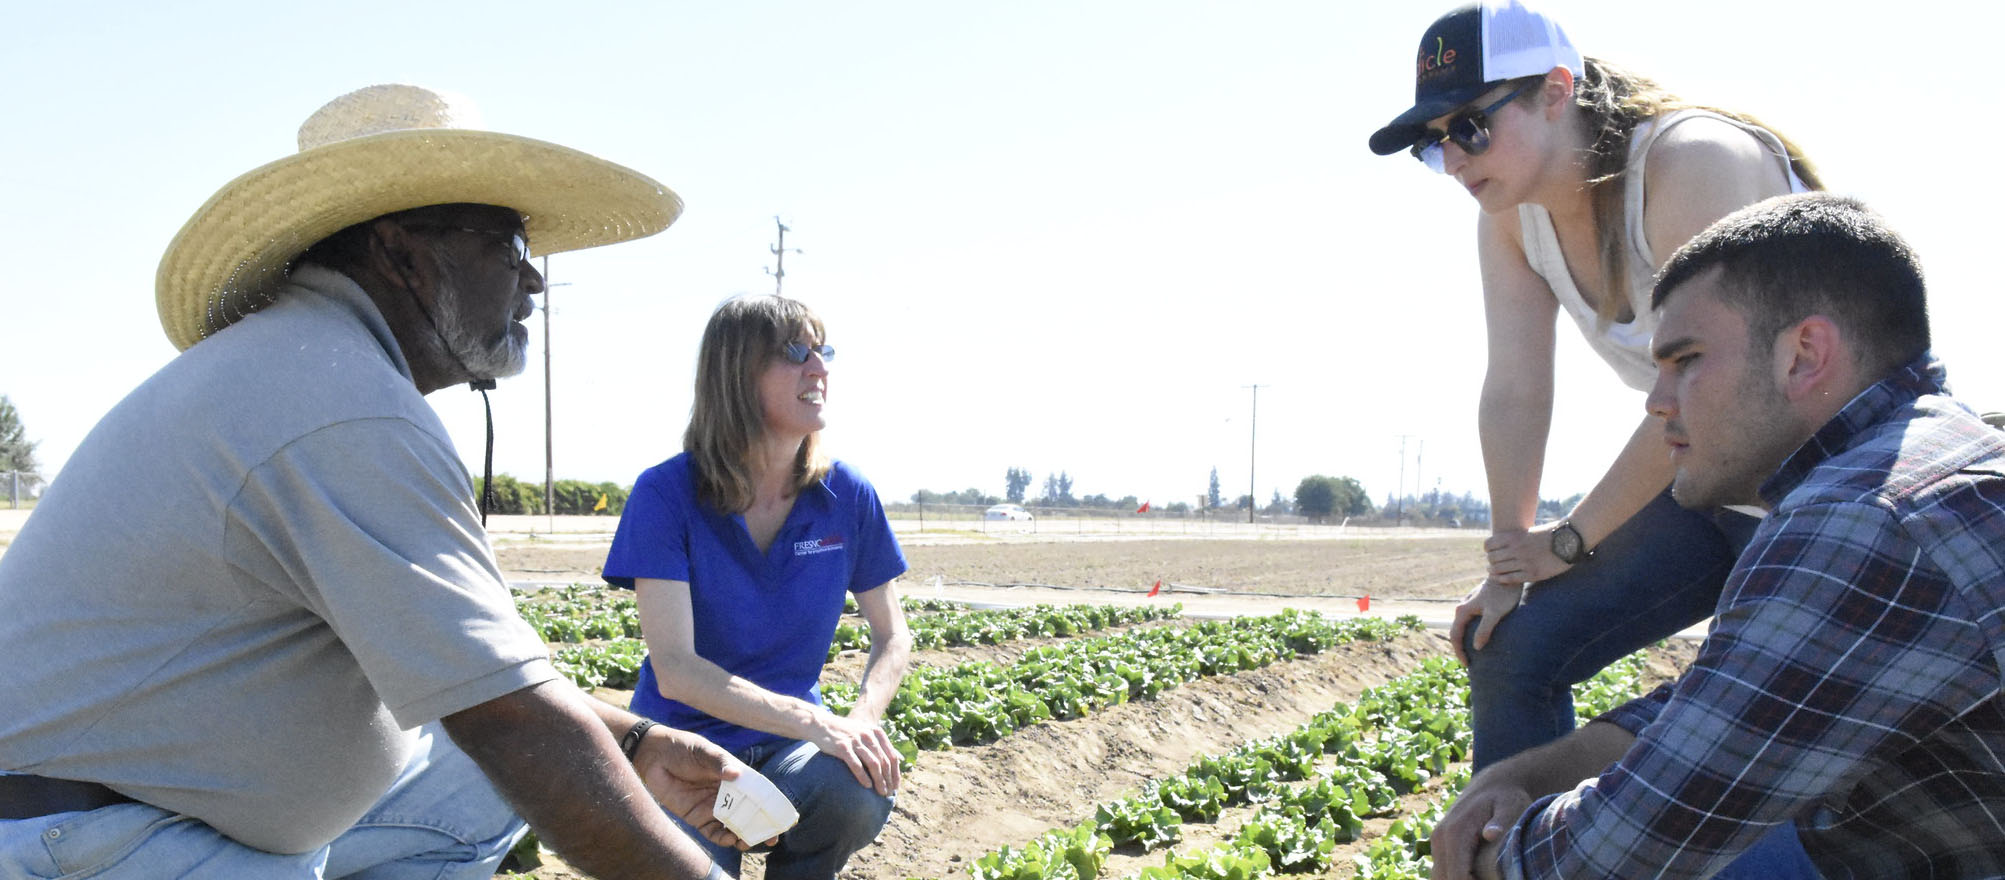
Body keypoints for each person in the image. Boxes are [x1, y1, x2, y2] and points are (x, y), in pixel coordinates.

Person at [0, 84, 754, 879]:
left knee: (477, 788)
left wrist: (629, 741)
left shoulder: (312, 364)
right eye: (507, 247)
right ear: (401, 253)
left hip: (134, 805)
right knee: (513, 760)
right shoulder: (341, 406)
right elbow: (508, 721)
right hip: (86, 837)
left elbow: (480, 678)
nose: (531, 283)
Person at [1431, 193, 2005, 879]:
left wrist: (1488, 851)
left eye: (1686, 359)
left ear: (1803, 356)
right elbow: (1733, 696)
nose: (1655, 401)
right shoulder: (1924, 457)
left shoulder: (1862, 515)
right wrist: (1532, 772)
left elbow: (1607, 858)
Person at [1366, 0, 1822, 768]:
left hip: (1818, 496)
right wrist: (1510, 565)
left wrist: (1570, 540)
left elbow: (1712, 387)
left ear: (1553, 88)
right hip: (1705, 486)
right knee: (1509, 649)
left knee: (1745, 728)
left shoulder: (1692, 160)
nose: (1454, 160)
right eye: (1433, 144)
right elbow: (1515, 389)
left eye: (1469, 127)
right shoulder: (1512, 216)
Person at [602, 294, 913, 880]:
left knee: (855, 787)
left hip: (787, 749)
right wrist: (817, 723)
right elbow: (676, 668)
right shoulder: (666, 494)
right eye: (796, 353)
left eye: (823, 352)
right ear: (736, 374)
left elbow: (892, 635)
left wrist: (861, 719)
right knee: (691, 871)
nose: (819, 369)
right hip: (682, 753)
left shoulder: (847, 495)